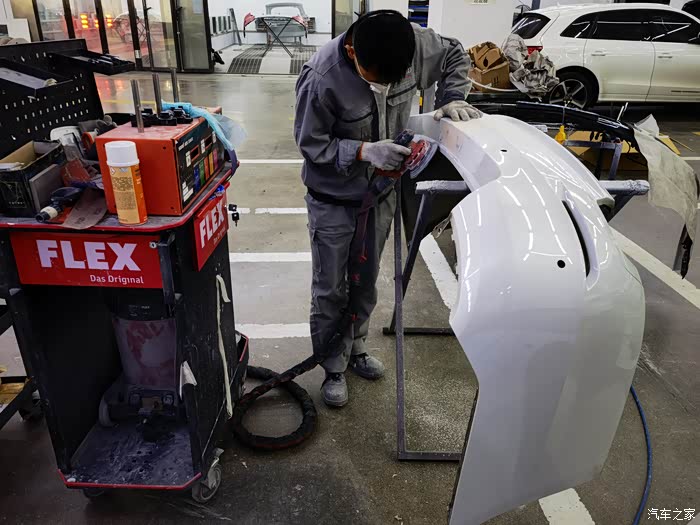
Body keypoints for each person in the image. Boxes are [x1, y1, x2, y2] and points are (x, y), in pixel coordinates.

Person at [294, 10, 480, 407]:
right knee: (330, 287)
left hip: (380, 193)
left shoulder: (410, 43)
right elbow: (311, 145)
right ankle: (333, 364)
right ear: (352, 52)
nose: (385, 89)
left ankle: (356, 347)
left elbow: (454, 54)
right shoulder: (322, 77)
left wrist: (452, 97)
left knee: (365, 279)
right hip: (333, 201)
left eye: (394, 83)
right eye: (377, 80)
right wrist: (363, 150)